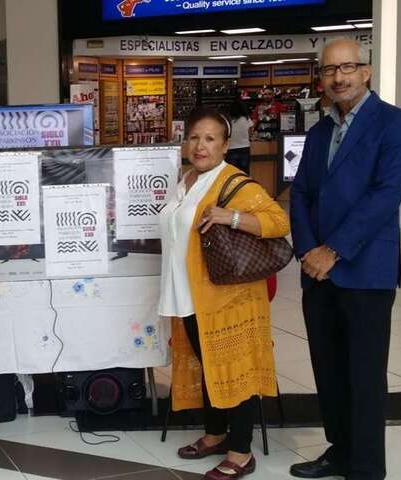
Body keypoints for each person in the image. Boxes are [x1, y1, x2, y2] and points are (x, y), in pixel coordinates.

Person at [289, 38, 401, 480]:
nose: (338, 78)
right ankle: (339, 452)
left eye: (348, 68)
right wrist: (307, 251)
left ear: (366, 71)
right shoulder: (319, 133)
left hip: (364, 272)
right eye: (329, 70)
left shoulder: (394, 125)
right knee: (329, 372)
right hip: (316, 274)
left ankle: (365, 468)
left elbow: (385, 196)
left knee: (364, 376)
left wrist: (331, 250)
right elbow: (299, 193)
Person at [160, 108, 289, 480]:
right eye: (194, 138)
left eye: (210, 138)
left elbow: (278, 222)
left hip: (227, 300)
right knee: (210, 366)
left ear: (226, 145)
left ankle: (241, 452)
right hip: (190, 296)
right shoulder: (186, 179)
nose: (200, 146)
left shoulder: (235, 182)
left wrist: (229, 217)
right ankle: (215, 435)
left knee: (238, 372)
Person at [226, 101, 253, 174]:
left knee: (232, 173)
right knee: (244, 172)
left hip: (231, 149)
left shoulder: (229, 120)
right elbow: (251, 132)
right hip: (245, 148)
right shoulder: (246, 119)